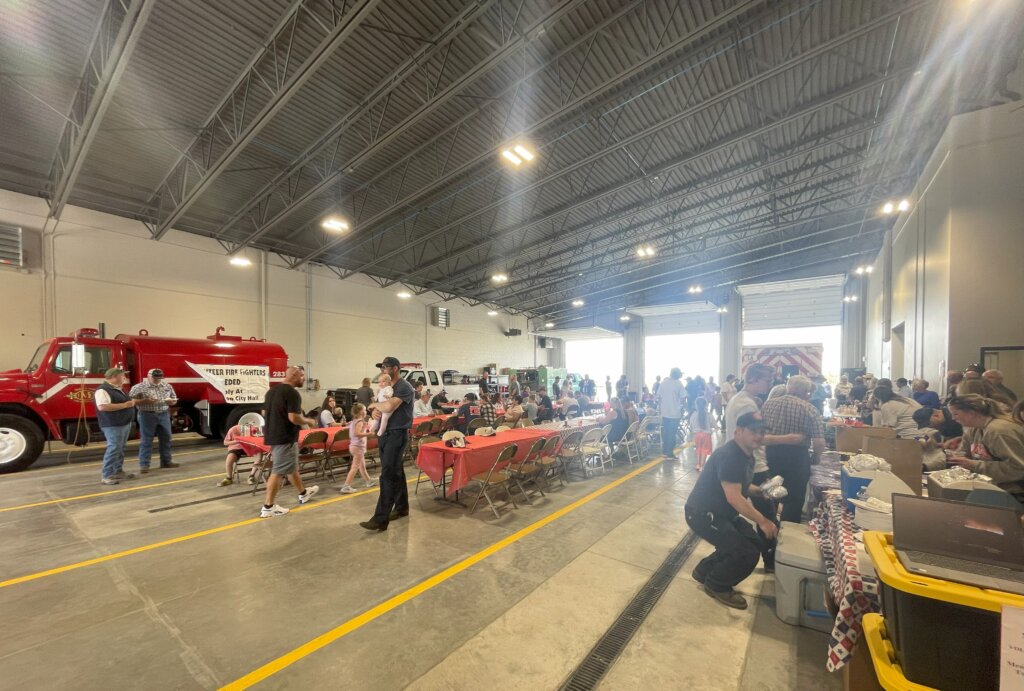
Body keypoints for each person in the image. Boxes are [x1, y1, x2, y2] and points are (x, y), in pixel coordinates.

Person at [685, 412, 778, 610]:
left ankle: (703, 572)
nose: (759, 436)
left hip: (722, 513)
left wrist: (761, 492)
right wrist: (763, 521)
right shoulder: (731, 456)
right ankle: (717, 584)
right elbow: (734, 497)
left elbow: (740, 486)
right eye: (754, 431)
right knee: (744, 552)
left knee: (752, 542)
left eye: (762, 432)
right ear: (738, 431)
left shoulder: (745, 455)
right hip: (703, 514)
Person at [760, 375, 826, 523]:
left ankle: (767, 532)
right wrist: (816, 458)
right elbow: (819, 442)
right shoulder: (810, 409)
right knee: (793, 499)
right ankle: (788, 535)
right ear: (806, 392)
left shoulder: (768, 405)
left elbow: (759, 434)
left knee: (770, 494)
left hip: (771, 455)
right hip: (797, 459)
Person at [360, 357, 415, 531]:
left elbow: (389, 406)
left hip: (397, 434)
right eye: (382, 367)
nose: (383, 370)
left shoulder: (403, 387)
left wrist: (374, 405)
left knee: (387, 474)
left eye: (386, 367)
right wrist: (374, 411)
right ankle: (402, 507)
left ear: (396, 368)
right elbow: (379, 408)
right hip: (385, 434)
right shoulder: (385, 387)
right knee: (396, 471)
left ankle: (380, 518)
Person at [259, 366, 320, 518]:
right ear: (294, 375)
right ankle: (268, 507)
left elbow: (264, 413)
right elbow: (294, 418)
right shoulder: (292, 393)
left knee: (291, 466)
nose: (304, 379)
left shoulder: (271, 391)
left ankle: (303, 493)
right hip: (284, 437)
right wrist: (309, 421)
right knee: (278, 471)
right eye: (302, 376)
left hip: (273, 435)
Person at [947, 395, 1024, 500]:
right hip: (992, 485)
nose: (953, 418)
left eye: (955, 414)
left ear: (971, 413)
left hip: (1015, 491)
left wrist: (974, 465)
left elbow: (1018, 468)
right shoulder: (972, 429)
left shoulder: (998, 431)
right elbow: (964, 453)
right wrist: (956, 457)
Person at [129, 368, 180, 473]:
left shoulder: (167, 386)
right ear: (148, 376)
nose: (157, 380)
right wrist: (145, 401)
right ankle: (144, 465)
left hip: (163, 413)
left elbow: (174, 398)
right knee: (146, 440)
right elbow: (130, 401)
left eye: (159, 378)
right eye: (154, 378)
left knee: (166, 438)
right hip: (147, 415)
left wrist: (172, 402)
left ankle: (166, 461)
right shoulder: (139, 387)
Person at [94, 367, 137, 485]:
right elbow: (103, 406)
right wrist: (125, 405)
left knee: (120, 448)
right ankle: (107, 475)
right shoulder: (103, 390)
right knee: (114, 448)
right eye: (121, 375)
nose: (124, 377)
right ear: (113, 377)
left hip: (123, 423)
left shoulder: (118, 389)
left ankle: (117, 471)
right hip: (113, 424)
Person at [339, 403, 378, 494]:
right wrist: (368, 434)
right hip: (358, 447)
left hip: (355, 446)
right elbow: (357, 434)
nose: (366, 412)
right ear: (360, 412)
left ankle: (368, 481)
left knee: (362, 466)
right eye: (364, 410)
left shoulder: (354, 421)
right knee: (355, 467)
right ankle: (346, 486)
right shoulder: (359, 422)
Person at [658, 367, 685, 458]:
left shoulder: (663, 383)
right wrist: (682, 407)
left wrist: (661, 409)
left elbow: (659, 397)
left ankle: (665, 451)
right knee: (672, 433)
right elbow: (683, 398)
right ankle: (670, 453)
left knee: (666, 432)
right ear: (677, 374)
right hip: (674, 413)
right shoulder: (678, 384)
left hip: (665, 412)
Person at [689, 396, 715, 471]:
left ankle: (697, 464)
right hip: (706, 435)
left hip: (697, 435)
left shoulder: (693, 414)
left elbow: (691, 425)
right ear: (706, 405)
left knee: (698, 449)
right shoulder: (709, 414)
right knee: (705, 450)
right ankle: (702, 466)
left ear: (696, 405)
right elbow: (714, 424)